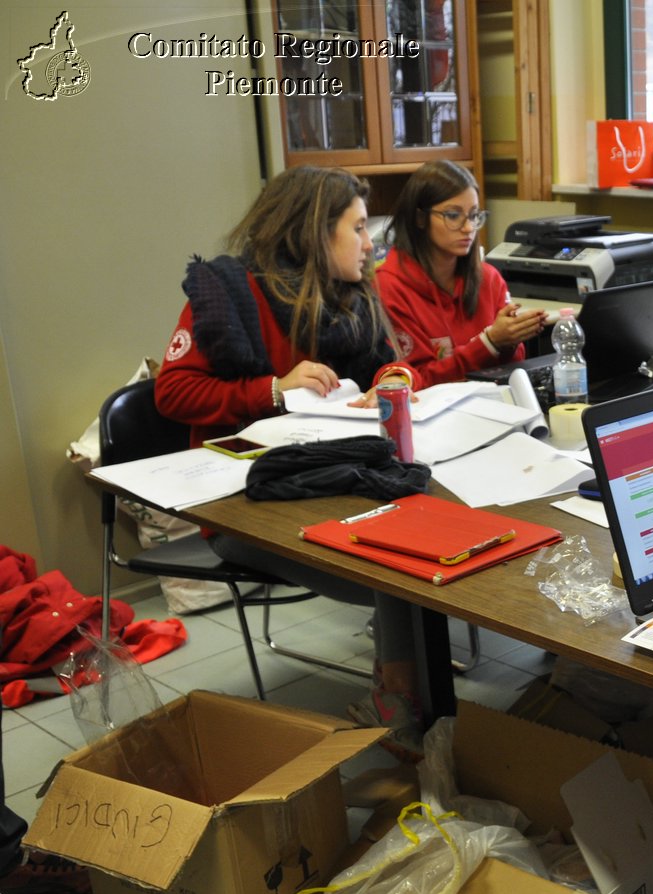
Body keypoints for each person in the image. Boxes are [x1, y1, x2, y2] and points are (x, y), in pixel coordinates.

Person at [155, 165, 426, 757]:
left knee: (414, 529)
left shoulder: (351, 294)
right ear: (313, 233)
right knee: (395, 564)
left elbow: (386, 363)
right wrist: (271, 389)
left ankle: (408, 677)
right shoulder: (228, 293)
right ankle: (402, 696)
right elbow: (171, 394)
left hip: (327, 479)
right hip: (243, 507)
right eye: (357, 229)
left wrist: (389, 380)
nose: (370, 244)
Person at [375, 160, 546, 387]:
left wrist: (510, 340)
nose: (468, 228)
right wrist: (489, 343)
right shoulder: (389, 286)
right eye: (453, 215)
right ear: (419, 218)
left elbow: (513, 369)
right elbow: (417, 381)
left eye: (474, 215)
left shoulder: (489, 278)